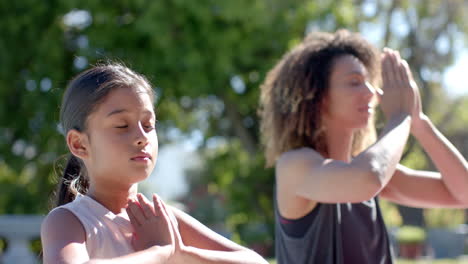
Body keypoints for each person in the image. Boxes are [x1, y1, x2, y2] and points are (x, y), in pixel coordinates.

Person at [259, 29, 468, 263]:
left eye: (369, 82)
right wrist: (400, 117)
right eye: (354, 82)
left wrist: (419, 122)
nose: (371, 92)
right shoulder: (294, 165)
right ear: (317, 96)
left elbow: (464, 192)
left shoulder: (367, 169)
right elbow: (368, 179)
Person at [41, 63, 268, 264]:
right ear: (79, 144)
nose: (142, 137)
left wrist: (180, 255)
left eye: (148, 125)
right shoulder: (70, 221)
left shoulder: (161, 220)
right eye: (122, 125)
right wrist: (159, 252)